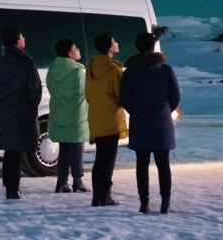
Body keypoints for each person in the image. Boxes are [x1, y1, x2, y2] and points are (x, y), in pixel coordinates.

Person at [119, 31, 180, 214]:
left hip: (140, 122)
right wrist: (164, 111)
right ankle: (165, 203)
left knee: (142, 163)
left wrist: (136, 111)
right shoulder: (166, 69)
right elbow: (175, 96)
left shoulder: (130, 72)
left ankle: (144, 202)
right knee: (163, 164)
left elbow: (125, 98)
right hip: (161, 123)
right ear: (153, 46)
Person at [0, 26, 42, 200]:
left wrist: (2, 104)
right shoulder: (27, 62)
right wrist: (30, 106)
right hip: (22, 113)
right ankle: (13, 188)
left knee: (10, 151)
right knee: (17, 152)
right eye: (22, 36)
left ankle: (9, 185)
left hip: (4, 113)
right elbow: (35, 91)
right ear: (18, 40)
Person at [84, 32, 128, 206]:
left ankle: (97, 195)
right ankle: (104, 196)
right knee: (108, 160)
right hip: (111, 120)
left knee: (100, 159)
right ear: (110, 47)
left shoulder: (91, 66)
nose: (117, 43)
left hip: (96, 118)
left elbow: (88, 94)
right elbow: (121, 95)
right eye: (114, 41)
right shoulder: (114, 69)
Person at [46, 38, 89, 194]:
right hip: (77, 114)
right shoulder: (78, 71)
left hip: (59, 113)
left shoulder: (53, 69)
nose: (78, 50)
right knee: (77, 148)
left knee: (64, 149)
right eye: (76, 48)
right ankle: (78, 181)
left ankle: (62, 181)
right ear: (69, 53)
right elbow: (84, 91)